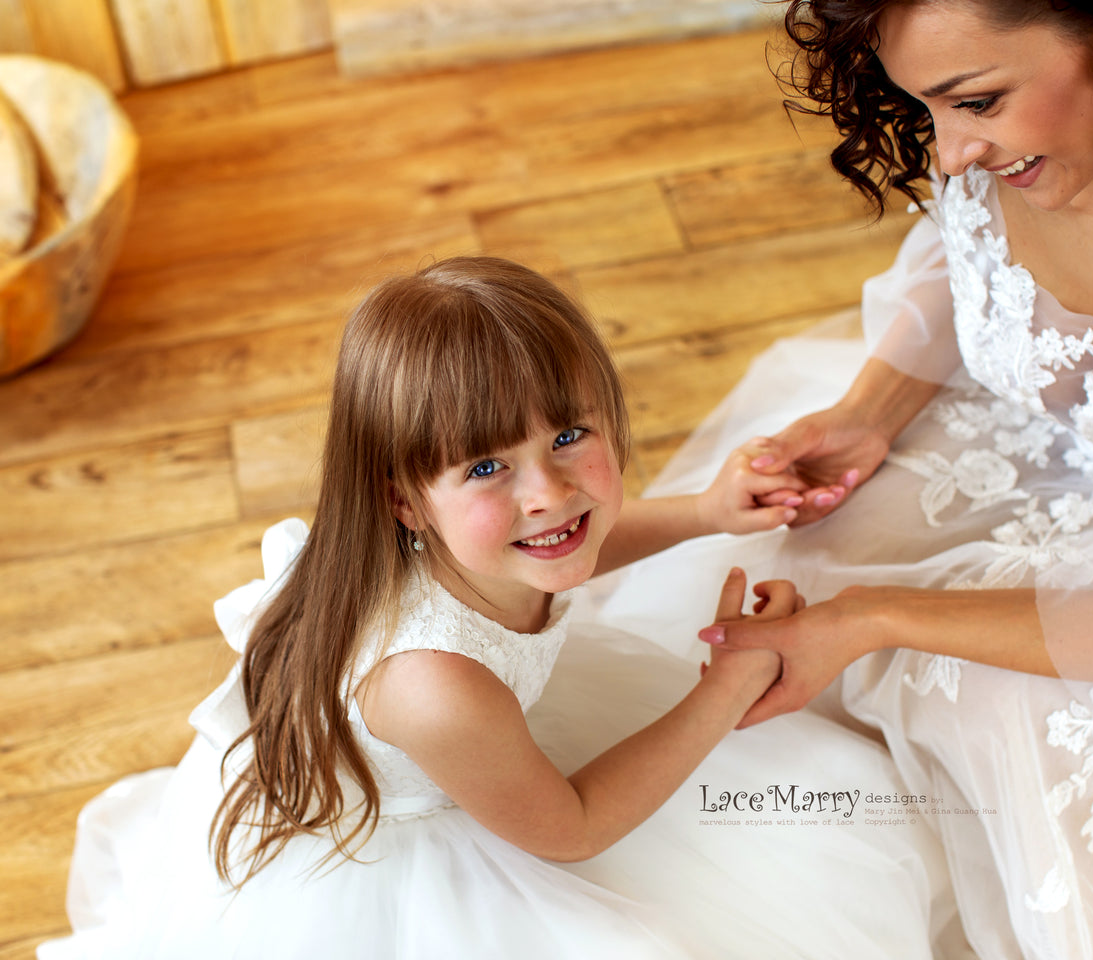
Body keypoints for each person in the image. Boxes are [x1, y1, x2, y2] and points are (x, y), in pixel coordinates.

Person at [39, 257, 958, 959]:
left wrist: (706, 513)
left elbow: (577, 540)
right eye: (486, 467)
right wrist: (721, 690)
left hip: (495, 746)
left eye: (568, 436)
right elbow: (573, 828)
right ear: (405, 500)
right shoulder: (431, 684)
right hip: (445, 835)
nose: (547, 493)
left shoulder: (493, 540)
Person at [592, 1, 1093, 957]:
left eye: (977, 102)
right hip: (1041, 445)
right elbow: (966, 264)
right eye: (928, 110)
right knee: (800, 553)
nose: (952, 152)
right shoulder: (1002, 137)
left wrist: (879, 616)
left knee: (1022, 721)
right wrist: (869, 412)